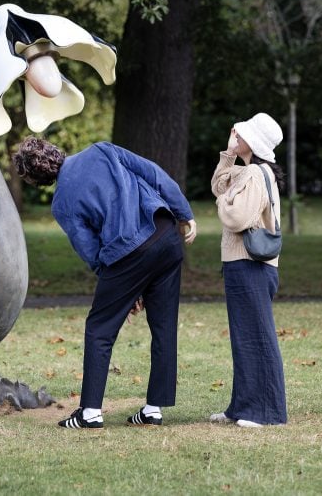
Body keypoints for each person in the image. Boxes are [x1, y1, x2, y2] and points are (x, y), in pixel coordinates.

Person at [13, 137, 197, 429]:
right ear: (53, 150)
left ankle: (90, 412)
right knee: (164, 327)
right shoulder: (101, 149)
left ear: (36, 179)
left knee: (99, 330)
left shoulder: (62, 203)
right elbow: (152, 172)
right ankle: (153, 409)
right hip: (165, 234)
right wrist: (184, 212)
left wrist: (121, 285)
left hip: (127, 255)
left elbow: (91, 251)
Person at [210, 112, 288, 428]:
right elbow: (218, 186)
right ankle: (242, 407)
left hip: (251, 265)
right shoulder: (247, 171)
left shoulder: (255, 174)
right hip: (243, 265)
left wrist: (223, 203)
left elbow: (237, 217)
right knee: (244, 339)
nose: (236, 136)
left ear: (253, 142)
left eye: (240, 135)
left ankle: (266, 412)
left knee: (258, 338)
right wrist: (229, 154)